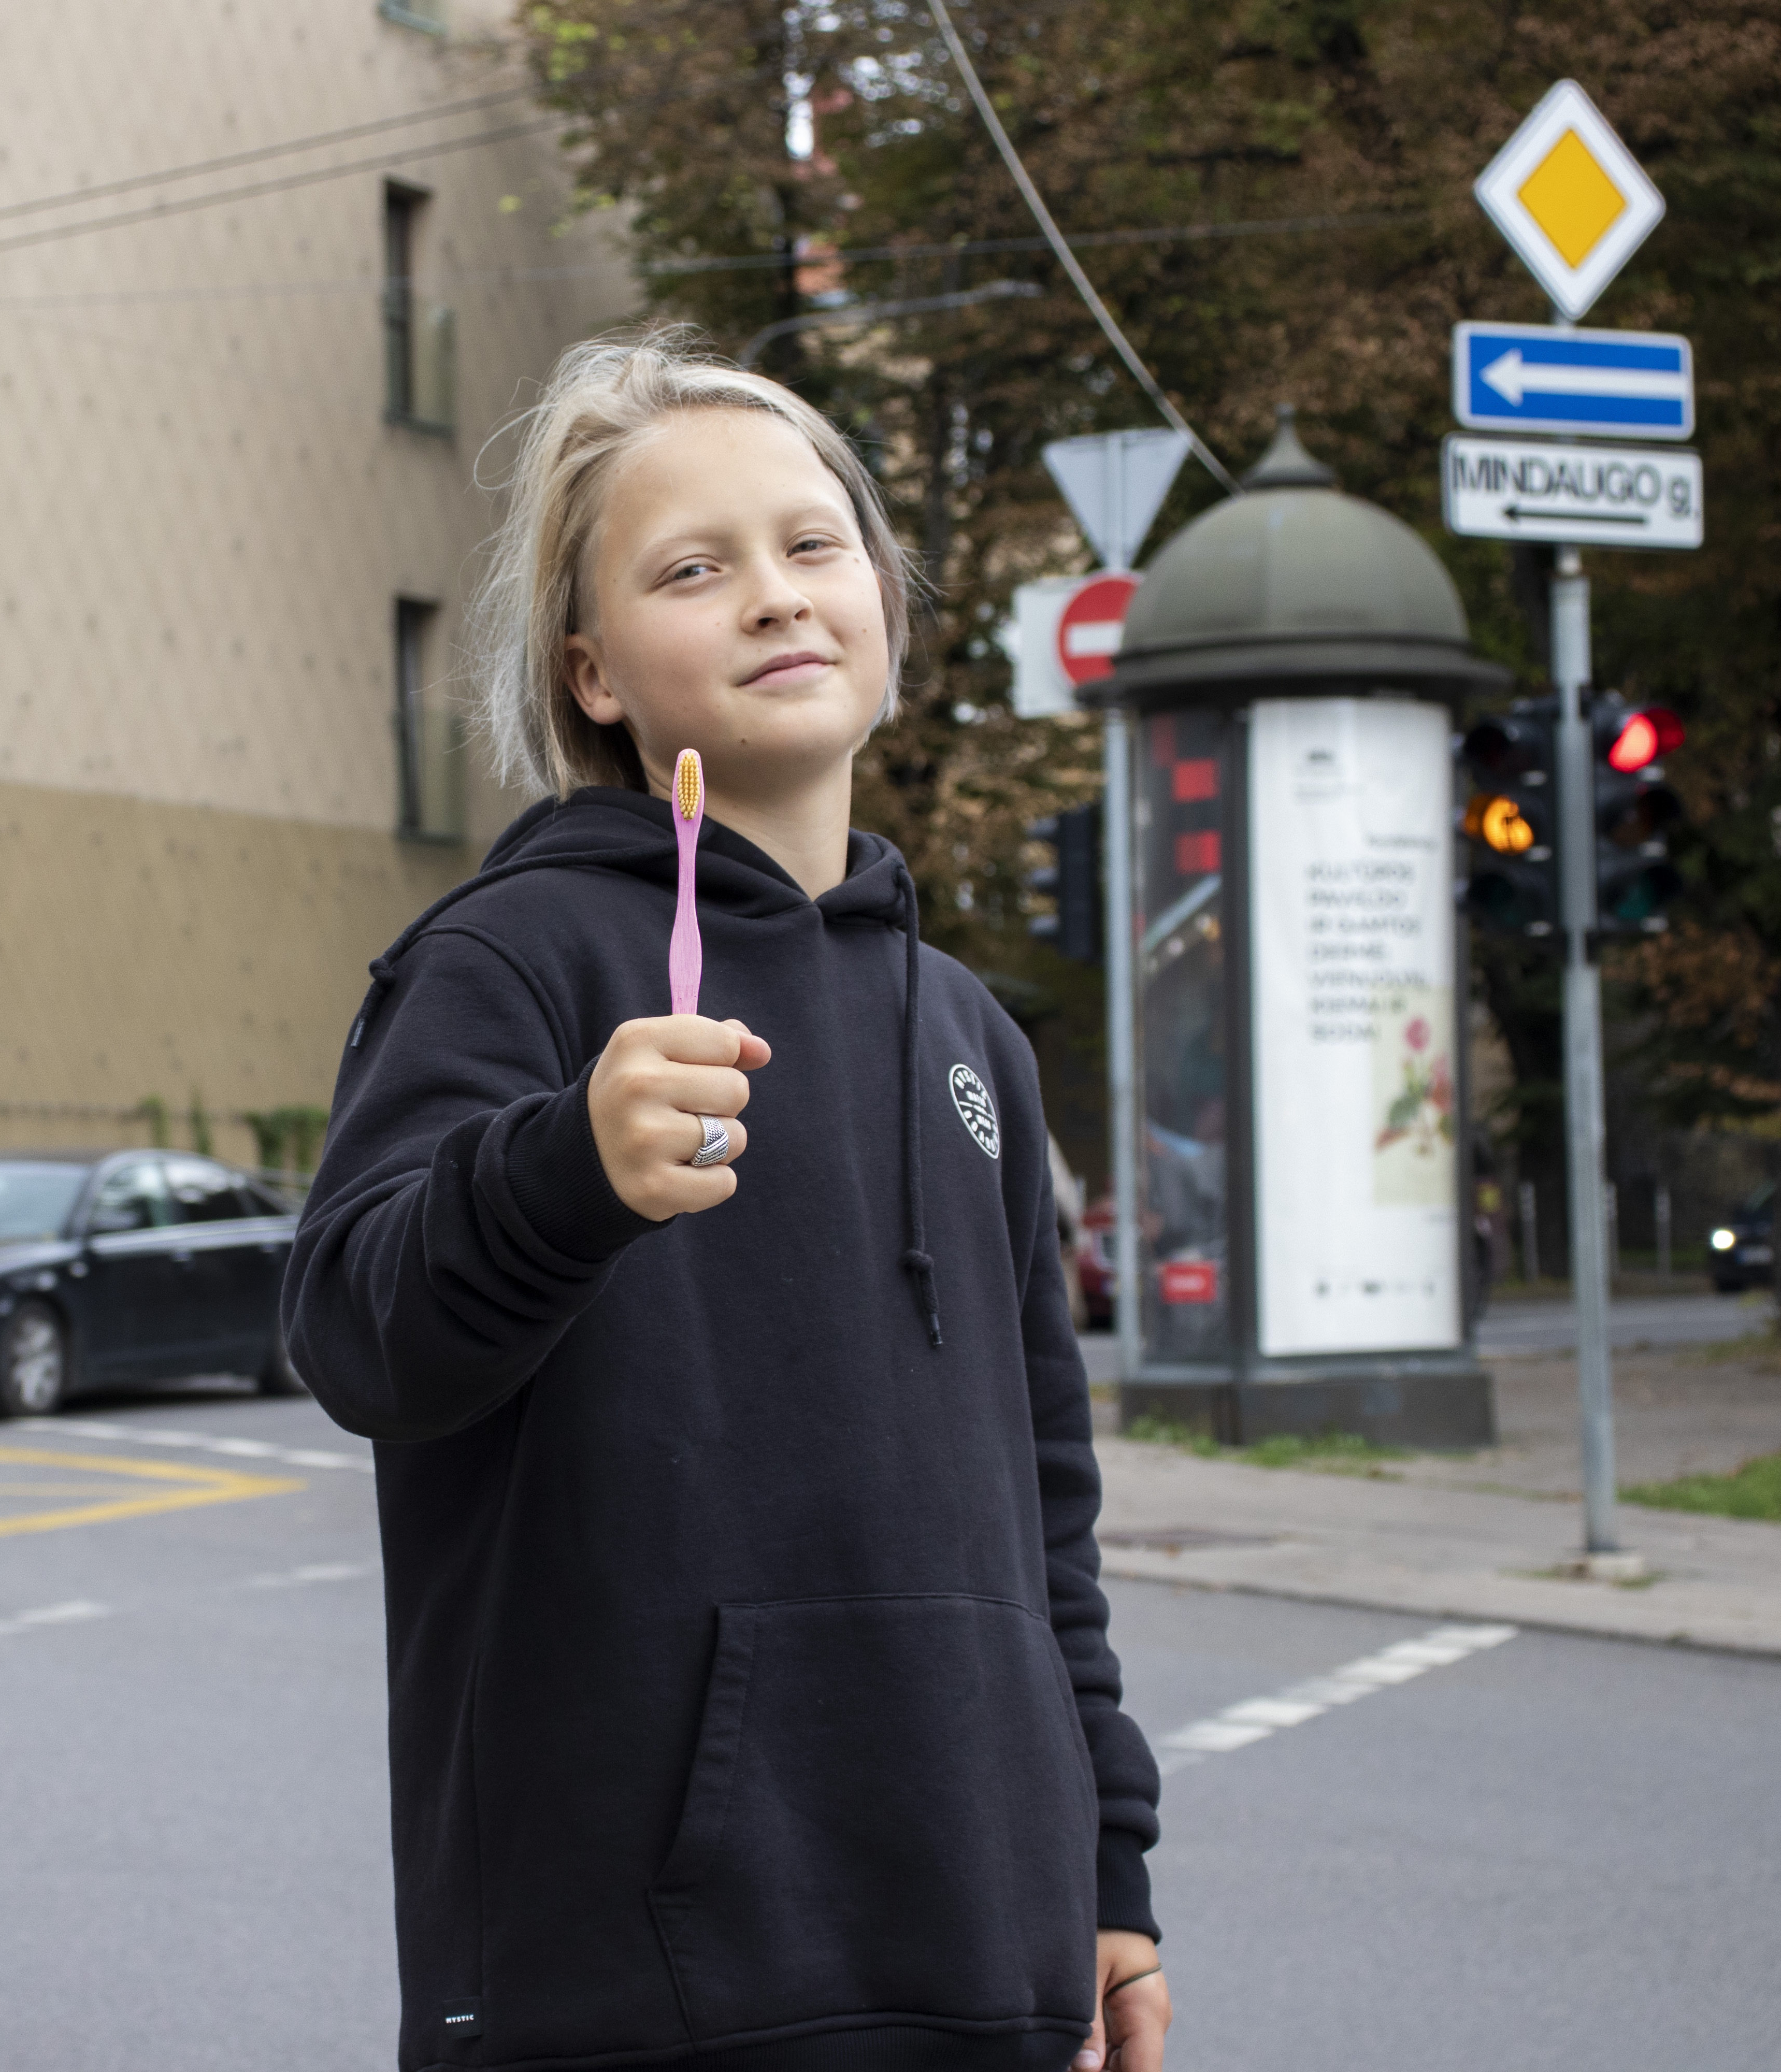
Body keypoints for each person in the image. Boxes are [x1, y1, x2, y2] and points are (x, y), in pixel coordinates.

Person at [281, 330, 1166, 2072]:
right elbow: (356, 1332)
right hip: (637, 1987)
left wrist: (1105, 1874)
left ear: (886, 606)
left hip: (983, 1957)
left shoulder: (967, 1029)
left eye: (812, 544)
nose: (774, 594)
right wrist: (562, 1173)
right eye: (696, 568)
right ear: (594, 672)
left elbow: (1043, 1512)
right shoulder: (512, 961)